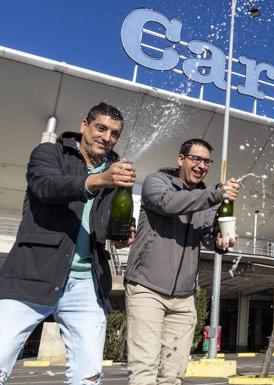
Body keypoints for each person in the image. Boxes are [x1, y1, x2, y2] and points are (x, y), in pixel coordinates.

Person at [0, 102, 136, 385]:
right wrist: (99, 180)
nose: (106, 137)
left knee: (88, 377)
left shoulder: (114, 172)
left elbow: (106, 225)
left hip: (88, 283)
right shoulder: (50, 153)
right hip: (32, 275)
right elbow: (47, 186)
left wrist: (121, 235)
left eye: (114, 133)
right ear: (84, 124)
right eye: (101, 128)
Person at [124, 138, 239, 385]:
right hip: (147, 288)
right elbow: (168, 204)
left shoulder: (205, 199)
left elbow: (206, 236)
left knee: (173, 375)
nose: (201, 166)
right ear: (181, 159)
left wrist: (219, 243)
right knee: (144, 371)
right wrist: (215, 194)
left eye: (206, 161)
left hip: (184, 297)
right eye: (195, 159)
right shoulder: (157, 182)